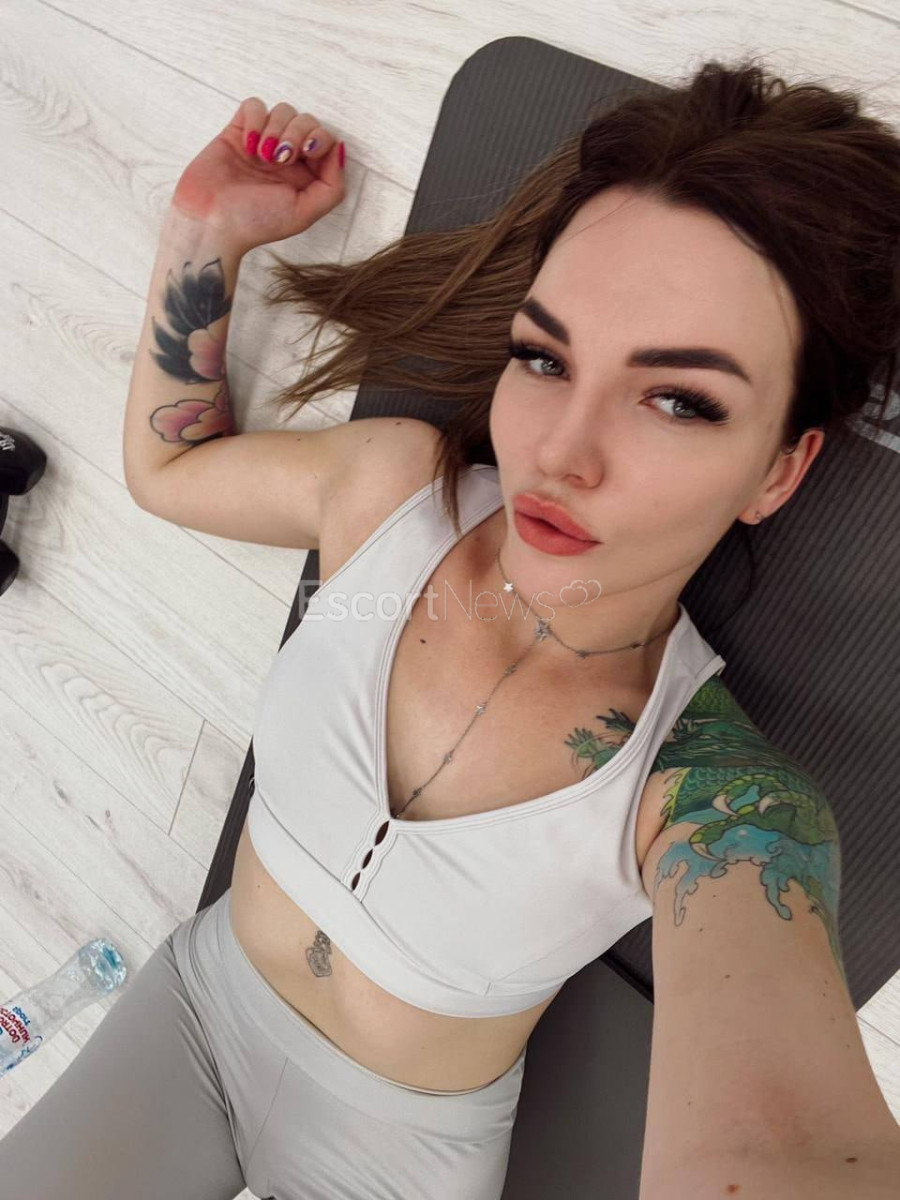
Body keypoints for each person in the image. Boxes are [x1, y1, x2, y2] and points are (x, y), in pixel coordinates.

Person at [3, 55, 900, 1200]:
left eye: (679, 399)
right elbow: (170, 470)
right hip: (197, 1011)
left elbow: (781, 1153)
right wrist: (204, 233)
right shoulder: (390, 492)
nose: (559, 452)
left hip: (400, 1155)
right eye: (543, 357)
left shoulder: (719, 804)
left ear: (779, 469)